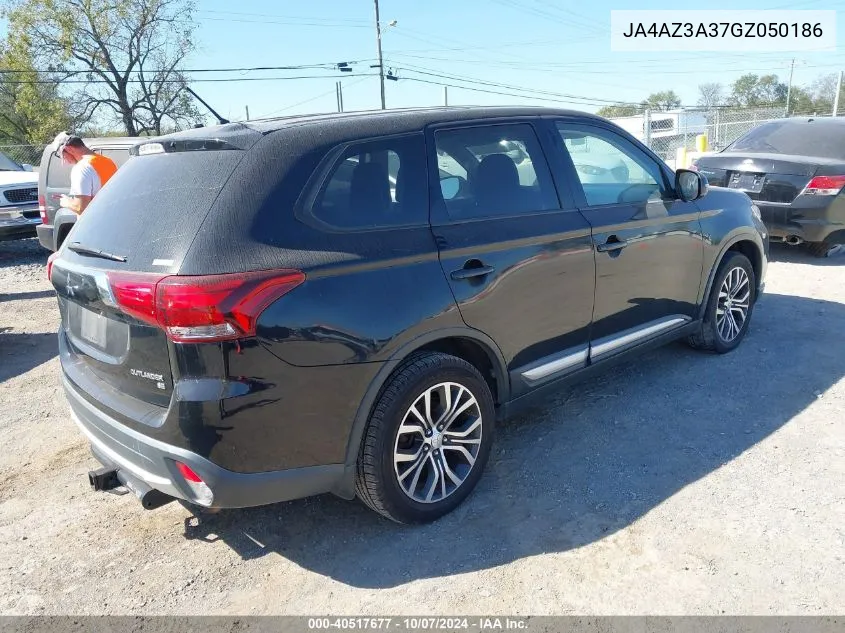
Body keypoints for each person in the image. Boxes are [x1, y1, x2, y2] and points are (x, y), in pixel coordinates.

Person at [50, 132, 118, 215]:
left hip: (94, 224)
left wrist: (66, 202)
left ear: (69, 149)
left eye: (62, 155)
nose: (65, 160)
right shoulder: (108, 161)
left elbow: (81, 208)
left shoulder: (81, 167)